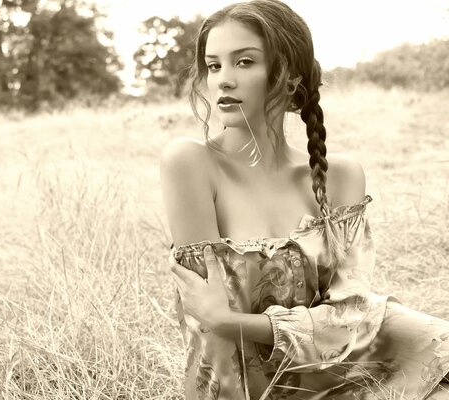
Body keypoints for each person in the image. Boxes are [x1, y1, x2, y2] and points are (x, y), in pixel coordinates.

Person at [159, 1, 449, 399]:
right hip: (249, 387)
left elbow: (352, 314)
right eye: (214, 65)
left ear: (291, 77)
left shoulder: (340, 176)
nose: (223, 80)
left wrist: (230, 320)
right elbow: (212, 339)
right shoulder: (190, 163)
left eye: (244, 62)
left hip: (348, 365)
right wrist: (220, 322)